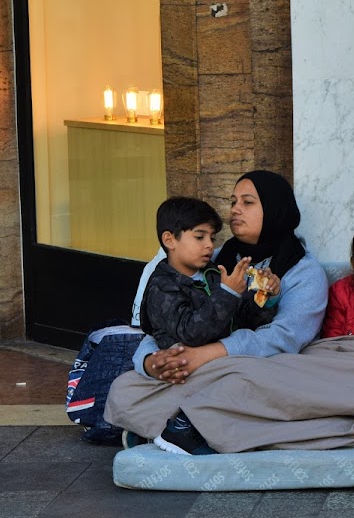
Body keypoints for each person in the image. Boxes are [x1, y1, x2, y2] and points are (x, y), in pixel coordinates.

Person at [104, 170, 329, 453]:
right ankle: (192, 428)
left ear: (275, 209)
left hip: (260, 367)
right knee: (124, 389)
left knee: (243, 382)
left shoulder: (304, 272)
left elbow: (283, 338)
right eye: (233, 201)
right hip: (196, 363)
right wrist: (152, 361)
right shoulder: (213, 256)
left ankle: (168, 429)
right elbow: (167, 321)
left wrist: (207, 353)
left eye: (247, 202)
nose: (235, 209)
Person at [140, 197, 277, 351]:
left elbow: (245, 320)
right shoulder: (162, 286)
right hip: (187, 366)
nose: (210, 245)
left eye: (212, 238)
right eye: (199, 237)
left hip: (224, 356)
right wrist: (228, 294)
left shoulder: (213, 273)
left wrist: (266, 294)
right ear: (169, 240)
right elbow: (191, 334)